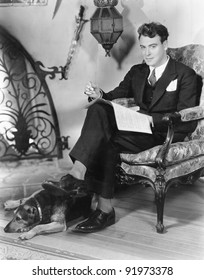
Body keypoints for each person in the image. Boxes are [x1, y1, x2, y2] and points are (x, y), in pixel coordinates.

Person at [43, 22, 199, 233]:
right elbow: (114, 95)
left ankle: (94, 199)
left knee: (106, 140)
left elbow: (185, 119)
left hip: (164, 133)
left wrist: (150, 120)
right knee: (99, 108)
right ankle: (84, 181)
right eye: (143, 47)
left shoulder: (185, 74)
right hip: (137, 130)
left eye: (152, 46)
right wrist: (100, 95)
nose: (147, 52)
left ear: (165, 44)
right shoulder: (138, 71)